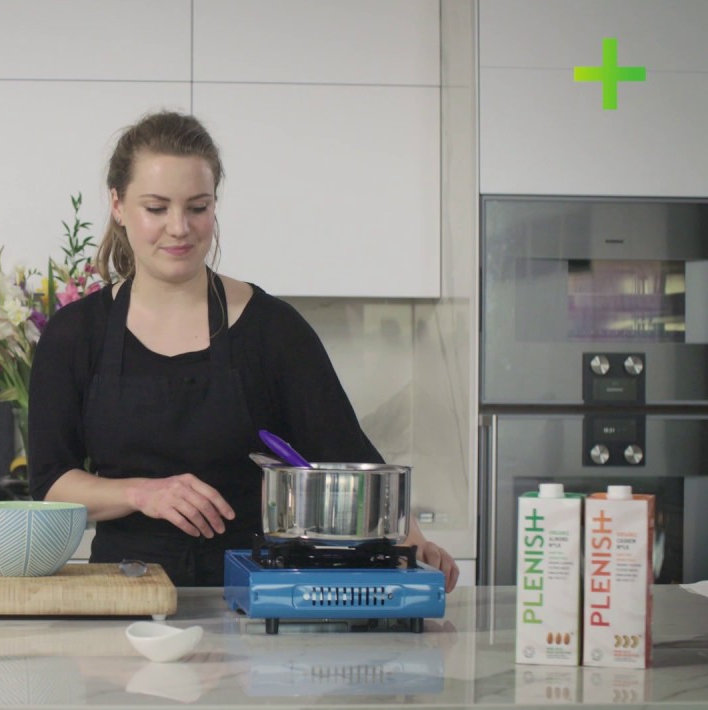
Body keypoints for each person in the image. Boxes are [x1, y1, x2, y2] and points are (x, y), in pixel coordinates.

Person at [27, 110, 459, 591]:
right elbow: (50, 483)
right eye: (156, 208)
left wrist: (415, 540)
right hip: (120, 595)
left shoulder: (272, 330)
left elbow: (347, 452)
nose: (179, 227)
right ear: (118, 205)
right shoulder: (75, 334)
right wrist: (141, 493)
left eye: (197, 207)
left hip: (251, 597)